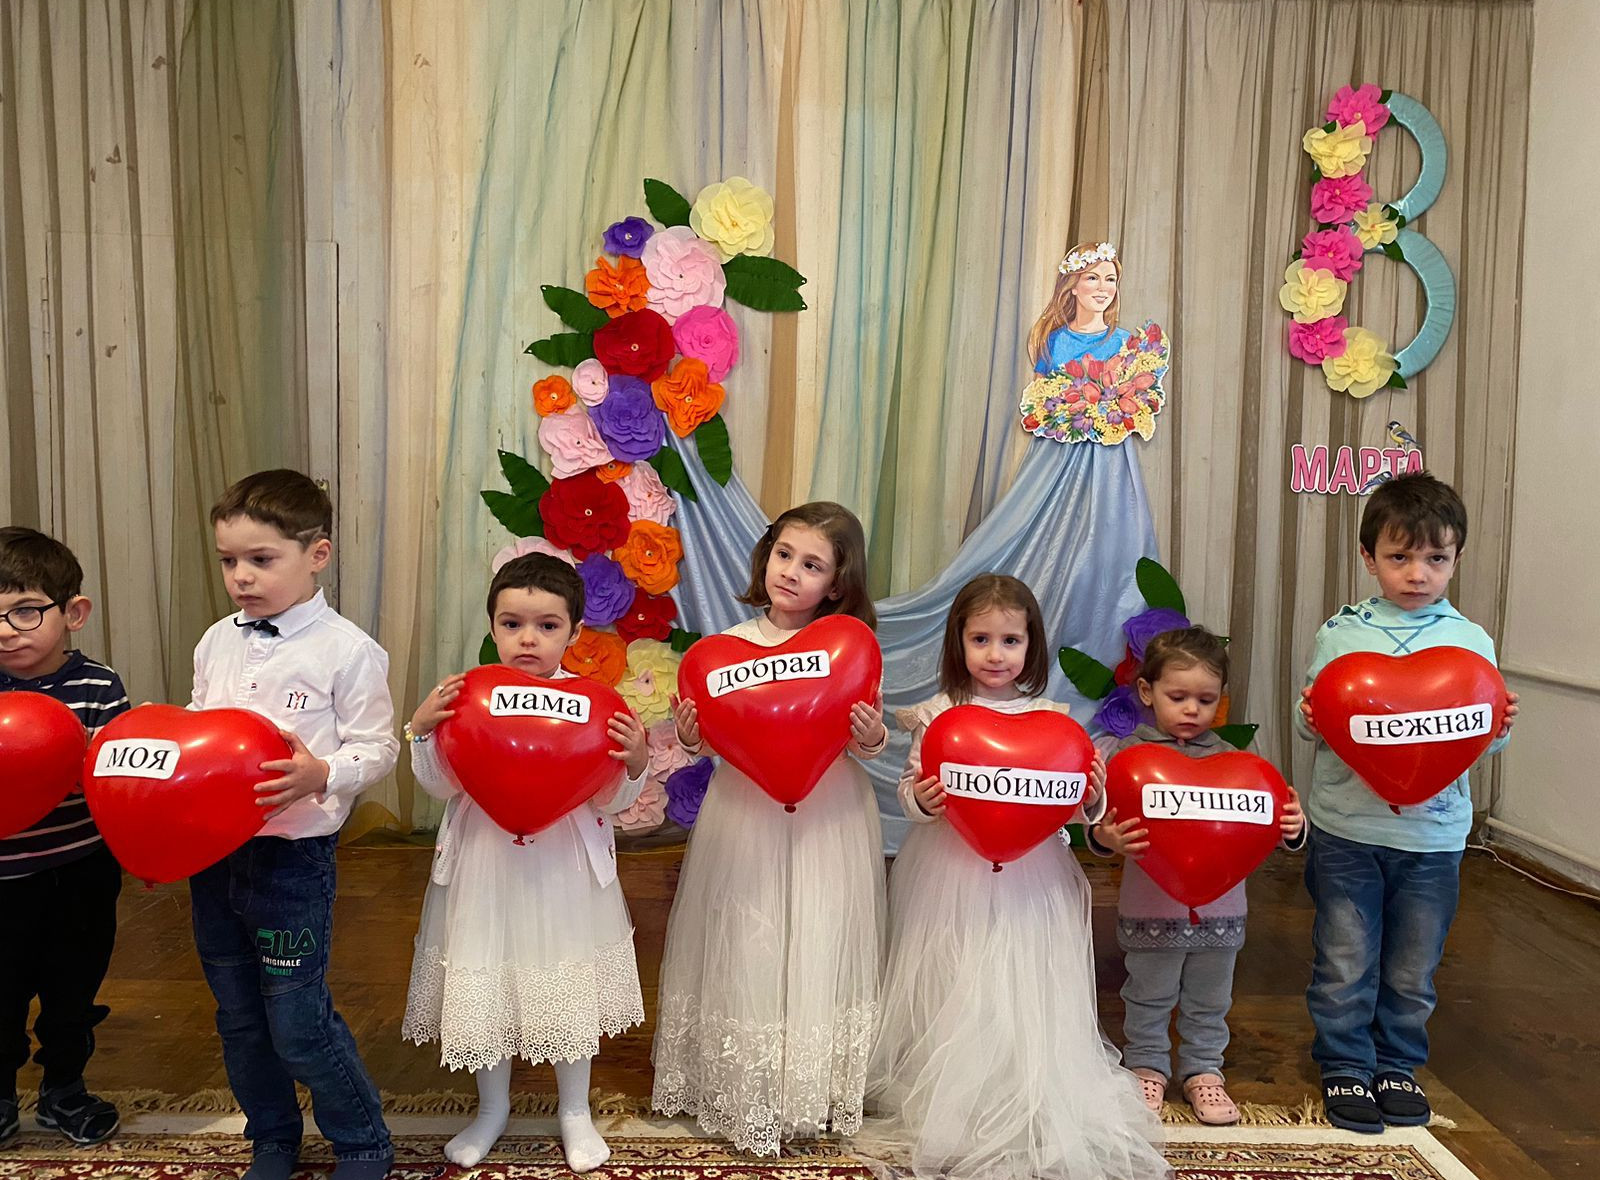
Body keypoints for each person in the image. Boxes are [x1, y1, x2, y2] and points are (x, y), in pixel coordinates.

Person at [862, 574, 1170, 1180]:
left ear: (1031, 645)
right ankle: (955, 1089)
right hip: (953, 872)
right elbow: (910, 791)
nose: (995, 655)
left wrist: (1092, 796)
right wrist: (922, 800)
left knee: (1022, 971)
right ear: (959, 642)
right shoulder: (939, 715)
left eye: (1010, 640)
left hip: (1032, 875)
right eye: (980, 639)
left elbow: (1069, 806)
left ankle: (1021, 1078)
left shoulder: (1052, 720)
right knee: (959, 972)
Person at [652, 502, 888, 1155]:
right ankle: (748, 1086)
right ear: (767, 556)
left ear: (836, 584)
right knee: (749, 930)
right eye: (785, 555)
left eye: (812, 565)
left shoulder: (848, 647)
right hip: (746, 811)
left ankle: (808, 1085)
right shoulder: (726, 648)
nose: (791, 572)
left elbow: (862, 741)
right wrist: (693, 738)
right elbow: (716, 738)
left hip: (828, 813)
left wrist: (871, 736)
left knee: (818, 930)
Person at [401, 552, 649, 1171]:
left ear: (574, 631)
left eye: (547, 625)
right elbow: (440, 785)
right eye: (511, 624)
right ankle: (491, 1108)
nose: (528, 639)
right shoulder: (467, 696)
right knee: (487, 974)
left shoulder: (596, 704)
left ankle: (575, 1109)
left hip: (564, 868)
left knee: (564, 976)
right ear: (492, 627)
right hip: (485, 864)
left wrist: (637, 762)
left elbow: (611, 798)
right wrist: (423, 732)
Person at [188, 470, 399, 1180]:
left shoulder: (348, 650)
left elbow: (378, 747)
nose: (241, 577)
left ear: (317, 554)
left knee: (297, 1021)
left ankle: (362, 1140)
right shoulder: (216, 641)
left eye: (261, 559)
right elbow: (201, 732)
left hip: (291, 863)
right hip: (214, 856)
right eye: (228, 561)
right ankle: (273, 1136)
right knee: (238, 1018)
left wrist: (323, 773)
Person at [1296, 472, 1518, 1133]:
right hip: (1346, 830)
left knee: (1413, 964)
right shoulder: (1340, 633)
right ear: (1369, 558)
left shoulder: (1471, 641)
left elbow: (1475, 738)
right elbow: (1318, 726)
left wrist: (1499, 730)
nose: (1417, 573)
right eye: (1400, 557)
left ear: (1456, 559)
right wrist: (1311, 717)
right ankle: (1344, 1063)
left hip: (1434, 838)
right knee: (1344, 957)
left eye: (1436, 558)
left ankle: (1397, 1063)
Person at [1090, 627, 1305, 1125]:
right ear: (1147, 692)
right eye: (1178, 697)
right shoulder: (1124, 759)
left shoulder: (1239, 763)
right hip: (1151, 911)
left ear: (1220, 700)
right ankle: (1146, 1065)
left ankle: (1204, 1070)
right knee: (1148, 993)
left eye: (1205, 700)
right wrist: (1107, 838)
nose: (1191, 709)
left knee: (1210, 997)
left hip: (1222, 914)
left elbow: (1265, 823)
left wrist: (1294, 828)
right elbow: (1097, 824)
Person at [0, 528, 128, 1146]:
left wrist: (90, 755)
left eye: (26, 610)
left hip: (81, 871)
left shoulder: (99, 686)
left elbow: (123, 776)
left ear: (73, 613)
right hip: (3, 879)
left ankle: (64, 1089)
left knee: (73, 989)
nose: (6, 630)